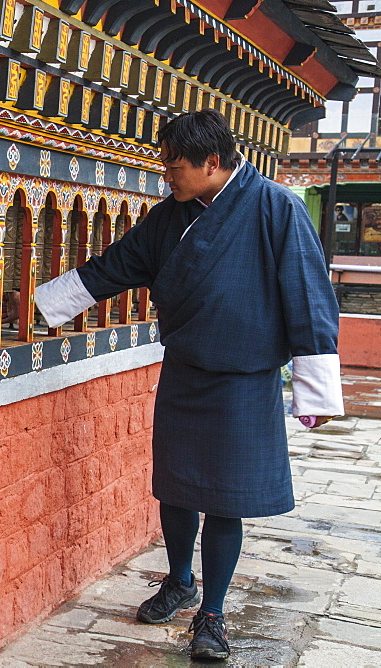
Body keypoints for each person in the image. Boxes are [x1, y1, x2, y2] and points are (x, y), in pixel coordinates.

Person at [33, 109, 343, 660]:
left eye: (175, 167)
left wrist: (313, 389)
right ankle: (179, 581)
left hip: (244, 380)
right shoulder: (168, 217)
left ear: (213, 162)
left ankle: (213, 615)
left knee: (228, 500)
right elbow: (114, 267)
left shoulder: (278, 209)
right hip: (185, 371)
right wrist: (40, 304)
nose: (167, 177)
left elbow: (308, 293)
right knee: (175, 488)